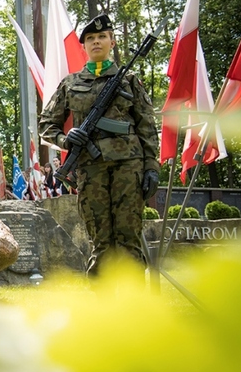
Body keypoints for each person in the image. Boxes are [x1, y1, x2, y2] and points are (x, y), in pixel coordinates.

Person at [39, 14, 160, 277]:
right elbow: (47, 124)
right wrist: (65, 139)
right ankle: (101, 307)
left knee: (128, 239)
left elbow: (147, 127)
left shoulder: (129, 81)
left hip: (129, 166)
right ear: (83, 46)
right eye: (90, 39)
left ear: (112, 42)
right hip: (89, 169)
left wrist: (151, 167)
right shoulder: (70, 84)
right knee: (101, 240)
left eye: (102, 37)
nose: (96, 42)